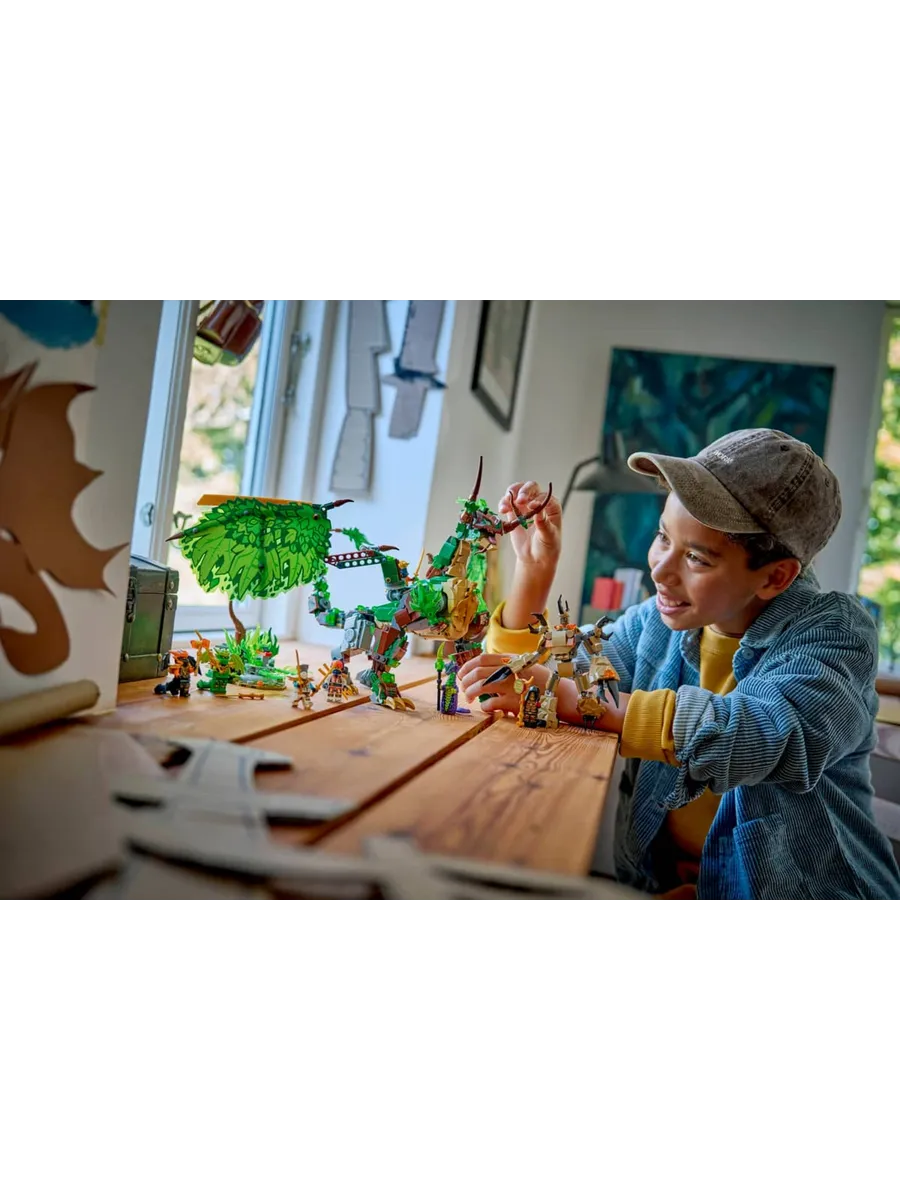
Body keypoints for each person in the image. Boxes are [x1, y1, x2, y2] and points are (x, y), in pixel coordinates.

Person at [457, 429, 900, 902]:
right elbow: (554, 671)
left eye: (696, 558)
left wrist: (573, 700)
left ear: (775, 576)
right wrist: (535, 571)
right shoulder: (658, 622)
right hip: (667, 887)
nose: (660, 569)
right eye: (662, 537)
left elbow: (762, 735)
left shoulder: (835, 633)